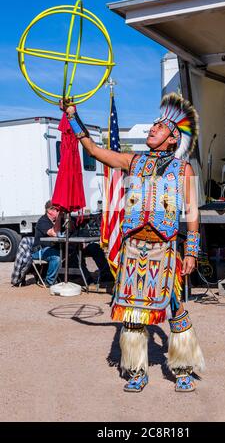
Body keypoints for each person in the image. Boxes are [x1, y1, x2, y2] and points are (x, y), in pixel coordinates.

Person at [60, 93, 205, 393]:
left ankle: (182, 368)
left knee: (175, 309)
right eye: (152, 126)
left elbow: (192, 212)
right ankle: (136, 369)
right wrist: (74, 117)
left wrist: (190, 250)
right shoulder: (133, 161)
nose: (152, 129)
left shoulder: (183, 169)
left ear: (172, 140)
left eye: (160, 128)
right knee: (132, 313)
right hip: (134, 250)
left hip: (165, 250)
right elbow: (93, 149)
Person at [31, 200, 61, 287]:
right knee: (56, 257)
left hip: (50, 249)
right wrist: (59, 218)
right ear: (50, 210)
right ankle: (49, 281)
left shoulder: (56, 221)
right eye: (57, 210)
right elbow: (54, 233)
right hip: (38, 251)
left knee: (71, 251)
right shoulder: (43, 221)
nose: (59, 212)